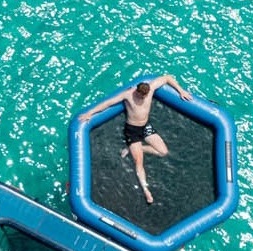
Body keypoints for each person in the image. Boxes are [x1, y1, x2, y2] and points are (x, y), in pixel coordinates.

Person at [77, 75, 192, 204]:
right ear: (137, 90)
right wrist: (90, 113)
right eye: (140, 95)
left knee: (163, 152)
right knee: (139, 162)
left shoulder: (150, 89)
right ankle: (146, 190)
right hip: (132, 131)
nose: (142, 98)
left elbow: (166, 78)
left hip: (145, 127)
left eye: (144, 96)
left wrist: (180, 90)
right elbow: (108, 103)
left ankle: (134, 149)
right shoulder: (128, 94)